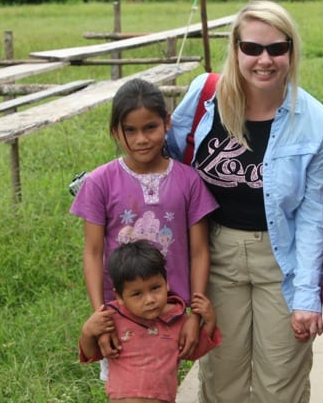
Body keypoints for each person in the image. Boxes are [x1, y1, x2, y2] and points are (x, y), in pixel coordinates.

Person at [166, 0, 323, 402]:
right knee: (220, 377)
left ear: (291, 51)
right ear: (235, 49)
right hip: (215, 253)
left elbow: (314, 214)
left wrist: (308, 297)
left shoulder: (314, 120)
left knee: (281, 382)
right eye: (252, 48)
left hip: (283, 261)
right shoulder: (204, 97)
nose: (265, 60)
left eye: (277, 48)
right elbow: (167, 159)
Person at [70, 78, 218, 373]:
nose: (141, 139)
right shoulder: (100, 182)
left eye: (150, 127)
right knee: (126, 388)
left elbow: (199, 251)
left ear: (167, 123)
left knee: (162, 386)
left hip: (172, 313)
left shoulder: (189, 181)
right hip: (121, 313)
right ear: (116, 131)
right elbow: (93, 251)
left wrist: (194, 314)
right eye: (130, 131)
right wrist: (102, 315)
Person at [79, 240, 222, 402]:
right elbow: (91, 354)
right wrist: (87, 331)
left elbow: (192, 351)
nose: (150, 300)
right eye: (137, 294)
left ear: (167, 284)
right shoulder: (112, 318)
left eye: (155, 288)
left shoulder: (176, 319)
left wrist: (209, 323)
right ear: (119, 296)